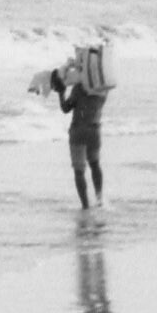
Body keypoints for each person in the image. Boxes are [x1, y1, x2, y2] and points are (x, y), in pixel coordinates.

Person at [55, 66, 105, 208]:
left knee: (79, 171)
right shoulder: (103, 89)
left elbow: (66, 108)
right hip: (94, 130)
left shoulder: (79, 89)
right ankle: (99, 200)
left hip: (78, 131)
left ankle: (85, 206)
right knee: (95, 164)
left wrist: (61, 93)